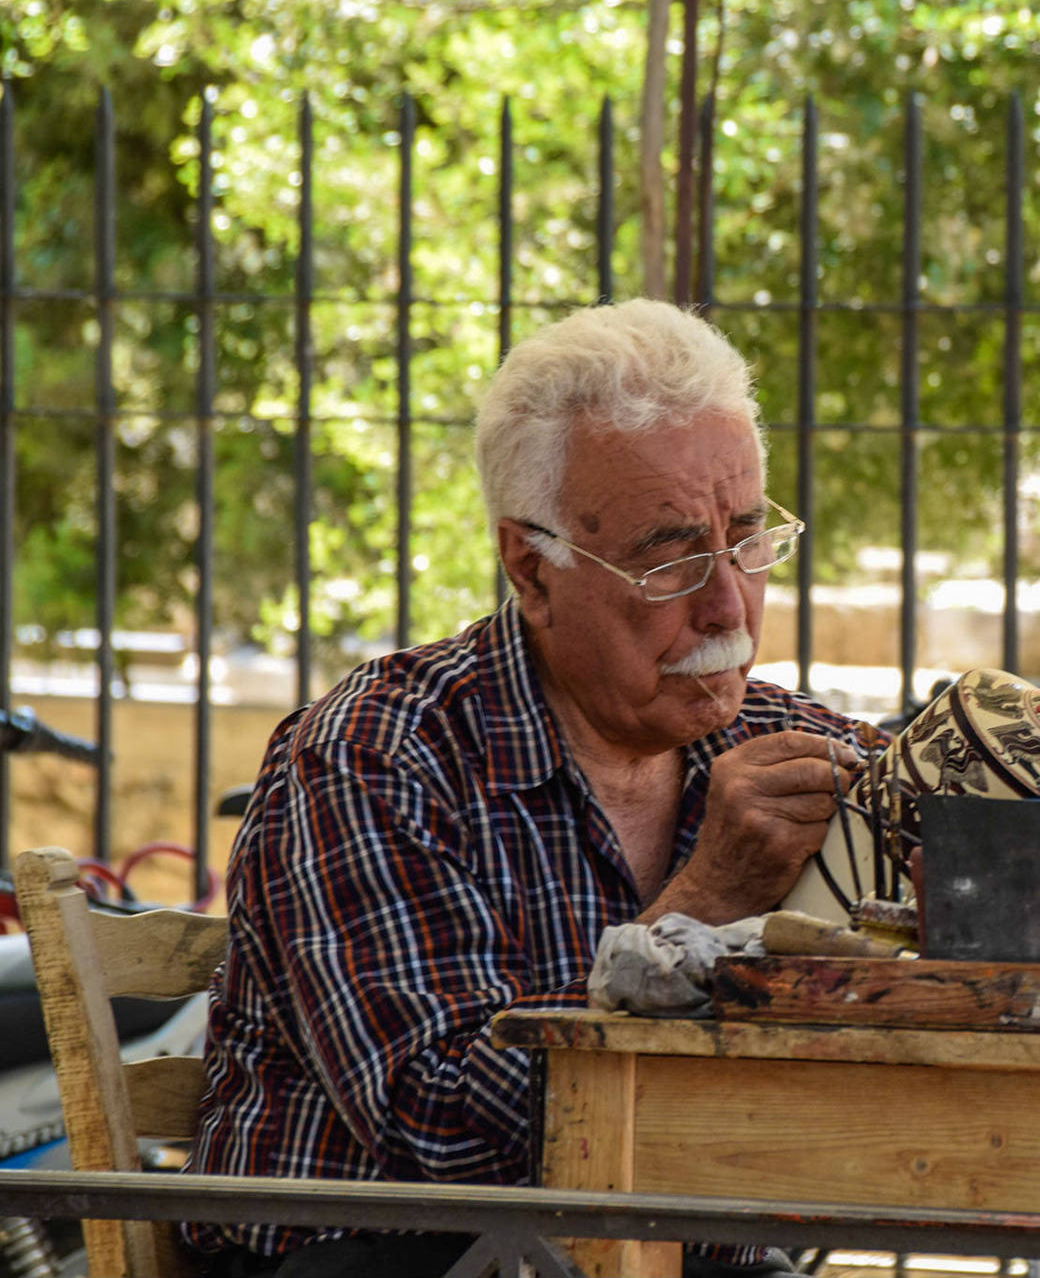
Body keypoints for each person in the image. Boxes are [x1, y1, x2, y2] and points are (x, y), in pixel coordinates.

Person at [186, 299, 872, 1276]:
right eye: (672, 554)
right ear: (532, 566)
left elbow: (976, 833)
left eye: (749, 537)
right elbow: (442, 1127)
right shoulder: (375, 755)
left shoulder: (781, 739)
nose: (730, 603)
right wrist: (704, 905)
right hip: (399, 1256)